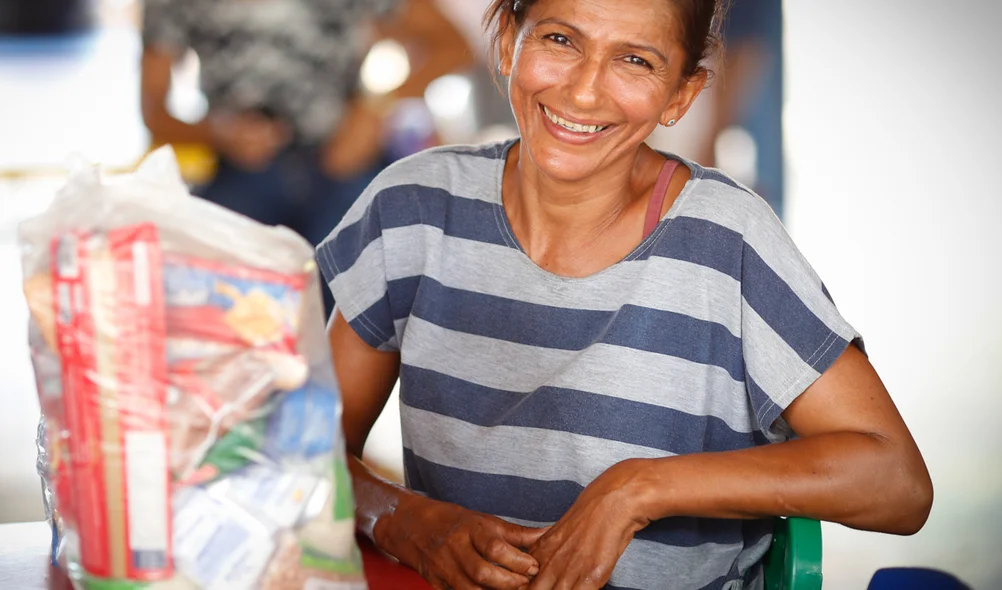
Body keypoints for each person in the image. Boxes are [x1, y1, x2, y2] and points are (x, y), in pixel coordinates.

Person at [316, 0, 934, 589]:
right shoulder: (413, 208)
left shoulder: (726, 239)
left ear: (682, 95)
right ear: (507, 40)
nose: (583, 91)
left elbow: (894, 479)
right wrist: (400, 519)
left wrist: (639, 489)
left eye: (635, 60)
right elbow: (303, 454)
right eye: (560, 39)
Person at [140, 0, 473, 250]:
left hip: (340, 161)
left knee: (364, 289)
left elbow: (453, 45)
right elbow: (154, 112)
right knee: (212, 286)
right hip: (244, 170)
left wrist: (374, 109)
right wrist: (220, 132)